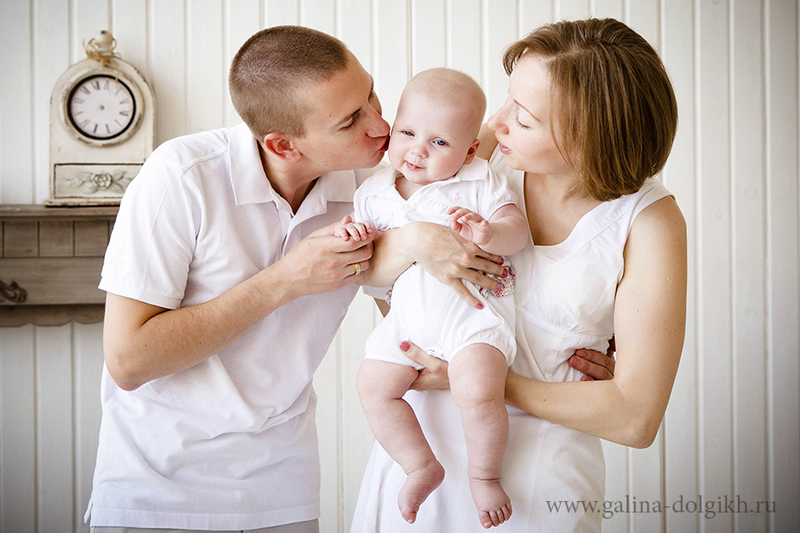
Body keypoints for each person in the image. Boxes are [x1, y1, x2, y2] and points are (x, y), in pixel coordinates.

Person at [84, 24, 614, 533]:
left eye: (373, 97)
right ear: (284, 146)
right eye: (350, 121)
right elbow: (129, 362)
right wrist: (286, 279)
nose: (382, 127)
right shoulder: (182, 176)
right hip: (160, 490)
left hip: (283, 485)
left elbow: (468, 141)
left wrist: (570, 341)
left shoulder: (378, 179)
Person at [350, 17, 686, 532]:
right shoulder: (482, 155)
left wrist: (481, 381)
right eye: (508, 98)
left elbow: (634, 418)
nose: (496, 121)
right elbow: (383, 289)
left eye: (523, 118)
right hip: (415, 460)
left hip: (536, 485)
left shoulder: (648, 222)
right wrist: (416, 241)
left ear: (588, 138)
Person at [335, 68, 527, 528]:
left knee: (478, 392)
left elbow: (517, 230)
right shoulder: (374, 191)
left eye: (439, 142)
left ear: (470, 151)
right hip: (405, 324)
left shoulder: (478, 181)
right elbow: (366, 259)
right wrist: (353, 234)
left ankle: (484, 476)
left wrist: (491, 232)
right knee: (372, 387)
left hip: (471, 319)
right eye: (407, 133)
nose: (418, 150)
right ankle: (419, 465)